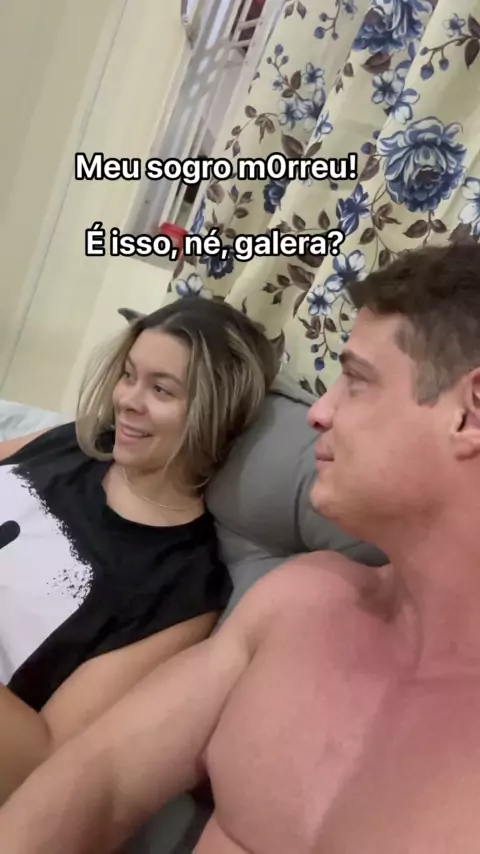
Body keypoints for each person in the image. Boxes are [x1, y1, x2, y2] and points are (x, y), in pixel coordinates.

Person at [1, 241, 479, 854]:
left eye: (357, 381)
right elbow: (103, 782)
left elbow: (44, 754)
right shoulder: (301, 600)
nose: (317, 412)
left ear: (469, 413)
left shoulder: (184, 582)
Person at [0, 296, 278, 802]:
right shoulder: (75, 444)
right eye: (129, 375)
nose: (127, 399)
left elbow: (40, 762)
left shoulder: (182, 586)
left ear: (215, 415)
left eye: (161, 389)